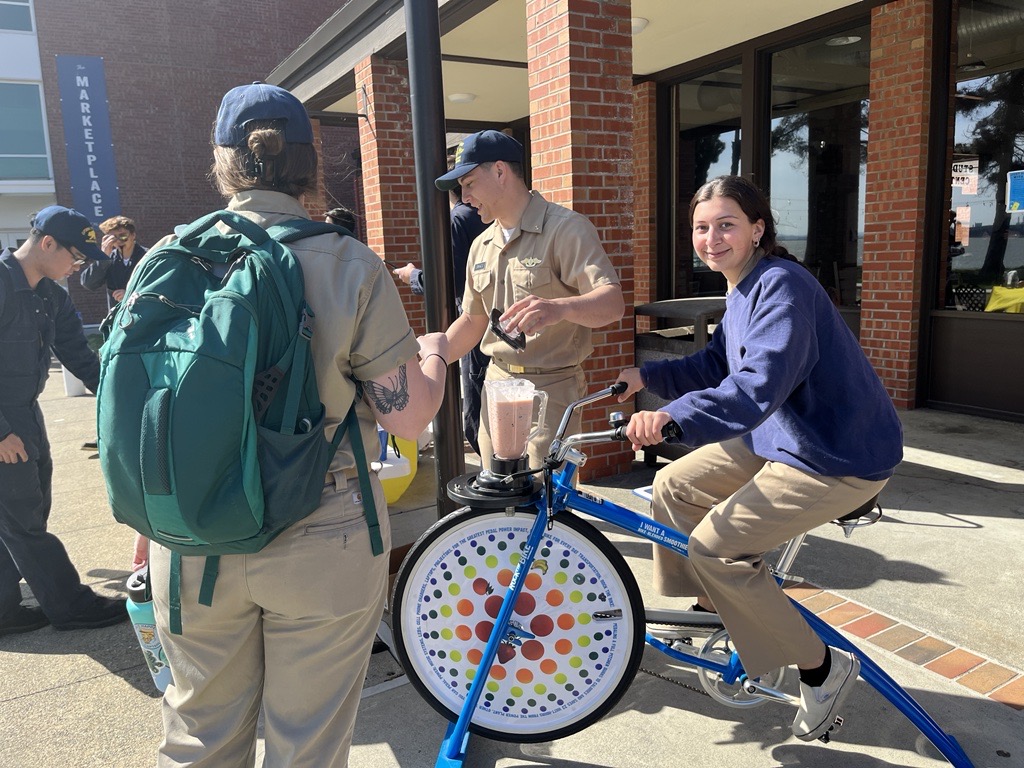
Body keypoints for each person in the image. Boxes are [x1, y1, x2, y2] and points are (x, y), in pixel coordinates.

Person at [133, 82, 449, 767]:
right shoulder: (348, 262)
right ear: (310, 168)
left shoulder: (168, 259)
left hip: (189, 529)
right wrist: (435, 356)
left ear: (223, 164)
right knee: (306, 745)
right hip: (322, 528)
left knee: (198, 739)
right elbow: (408, 413)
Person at [614, 175, 903, 742]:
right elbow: (718, 362)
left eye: (726, 225)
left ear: (757, 229)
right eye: (702, 227)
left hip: (833, 452)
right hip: (780, 438)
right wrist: (646, 376)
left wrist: (671, 417)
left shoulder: (782, 286)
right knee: (674, 486)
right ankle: (710, 608)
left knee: (716, 548)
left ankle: (821, 668)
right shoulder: (741, 287)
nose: (712, 237)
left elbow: (754, 388)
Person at [437, 130, 624, 469]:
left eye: (468, 183)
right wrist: (432, 358)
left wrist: (560, 308)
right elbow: (473, 321)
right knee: (496, 500)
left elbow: (612, 304)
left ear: (499, 172)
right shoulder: (481, 245)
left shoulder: (566, 229)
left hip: (551, 390)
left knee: (544, 505)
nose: (463, 197)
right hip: (496, 386)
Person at [0, 206, 129, 636]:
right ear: (46, 242)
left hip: (27, 412)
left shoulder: (51, 295)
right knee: (24, 519)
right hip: (5, 420)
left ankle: (4, 610)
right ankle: (71, 606)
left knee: (21, 514)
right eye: (74, 256)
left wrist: (121, 398)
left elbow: (78, 356)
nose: (76, 268)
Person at [393, 180, 490, 454]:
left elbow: (447, 282)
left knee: (478, 420)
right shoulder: (488, 221)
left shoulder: (458, 218)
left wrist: (413, 276)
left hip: (474, 328)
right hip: (488, 329)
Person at [79, 214, 148, 304]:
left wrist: (130, 294)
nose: (119, 241)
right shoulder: (108, 259)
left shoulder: (147, 256)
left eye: (123, 236)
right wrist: (102, 257)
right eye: (113, 238)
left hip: (143, 314)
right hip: (118, 316)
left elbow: (157, 286)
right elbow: (88, 284)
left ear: (133, 235)